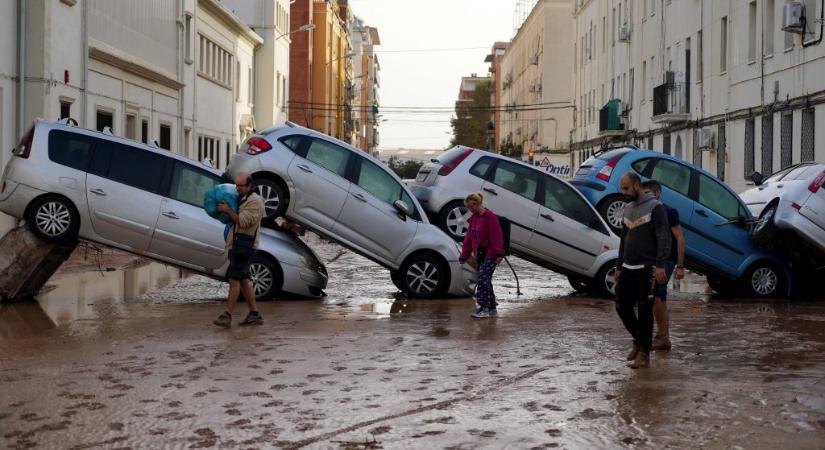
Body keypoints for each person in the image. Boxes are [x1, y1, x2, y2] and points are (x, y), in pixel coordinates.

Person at [614, 173, 671, 369]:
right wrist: (619, 266)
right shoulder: (627, 209)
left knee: (645, 310)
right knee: (622, 306)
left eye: (626, 188)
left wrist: (661, 265)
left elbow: (664, 238)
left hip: (648, 268)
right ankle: (639, 341)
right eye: (622, 189)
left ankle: (644, 355)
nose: (624, 193)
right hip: (628, 267)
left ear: (637, 185)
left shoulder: (656, 208)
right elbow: (623, 240)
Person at [213, 173, 265, 327]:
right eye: (236, 185)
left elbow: (243, 222)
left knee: (234, 279)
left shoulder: (255, 202)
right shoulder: (241, 198)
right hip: (236, 245)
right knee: (244, 280)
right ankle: (254, 314)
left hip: (245, 247)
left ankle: (227, 315)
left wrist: (228, 210)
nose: (237, 188)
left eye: (241, 186)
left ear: (249, 186)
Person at [642, 180, 686, 351]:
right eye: (643, 194)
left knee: (656, 298)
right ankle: (663, 338)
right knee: (659, 299)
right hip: (652, 260)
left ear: (657, 193)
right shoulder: (645, 211)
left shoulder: (669, 211)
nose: (646, 197)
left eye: (649, 194)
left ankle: (661, 337)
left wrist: (680, 266)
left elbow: (680, 239)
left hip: (666, 260)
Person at [459, 192, 505, 318]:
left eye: (471, 207)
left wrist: (499, 253)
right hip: (479, 255)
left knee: (482, 280)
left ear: (478, 204)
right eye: (468, 208)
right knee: (486, 281)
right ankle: (492, 309)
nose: (470, 210)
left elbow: (497, 236)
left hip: (491, 254)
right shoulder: (473, 218)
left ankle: (483, 308)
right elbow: (469, 237)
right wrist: (464, 255)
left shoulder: (490, 217)